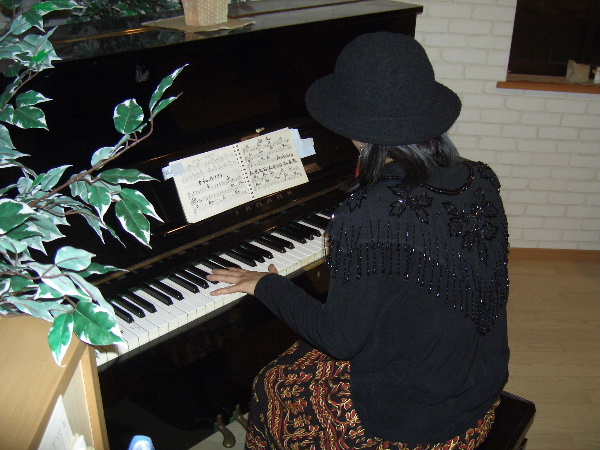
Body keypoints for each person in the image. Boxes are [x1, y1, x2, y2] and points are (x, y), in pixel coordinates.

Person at [208, 31, 510, 450]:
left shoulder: (370, 211)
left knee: (271, 384)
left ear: (356, 129)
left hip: (417, 428)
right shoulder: (479, 178)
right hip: (479, 393)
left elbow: (341, 340)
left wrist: (266, 285)